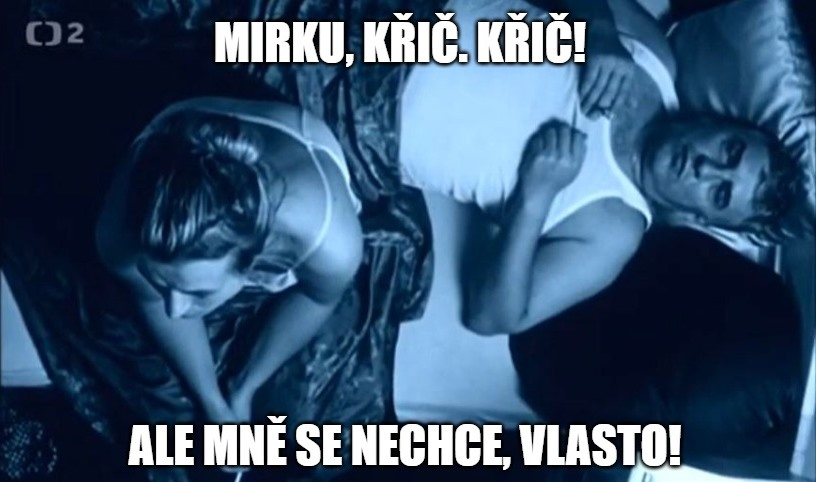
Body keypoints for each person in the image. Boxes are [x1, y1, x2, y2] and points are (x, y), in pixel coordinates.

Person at [398, 0, 811, 335]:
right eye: (731, 151)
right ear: (720, 122)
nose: (706, 167)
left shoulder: (612, 233)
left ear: (698, 218)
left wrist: (533, 199)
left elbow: (490, 317)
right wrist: (597, 26)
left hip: (377, 118)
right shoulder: (655, 58)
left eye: (720, 193)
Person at [94, 97, 364, 425]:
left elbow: (318, 297)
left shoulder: (332, 243)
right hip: (182, 124)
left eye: (198, 292)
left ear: (252, 263)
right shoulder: (117, 234)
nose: (174, 310)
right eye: (161, 281)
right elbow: (151, 300)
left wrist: (246, 387)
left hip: (294, 134)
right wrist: (213, 404)